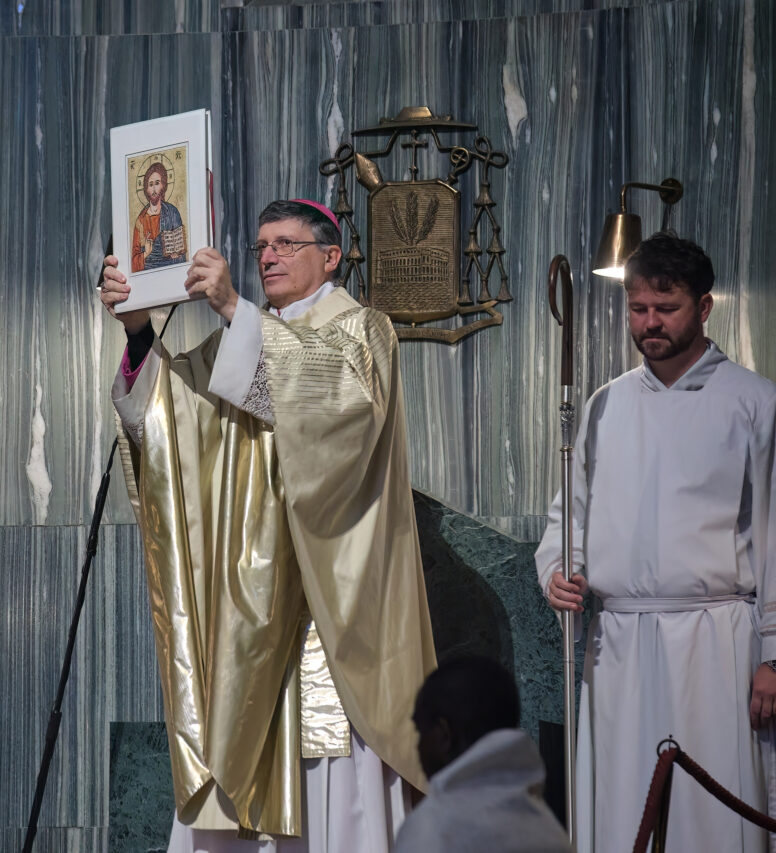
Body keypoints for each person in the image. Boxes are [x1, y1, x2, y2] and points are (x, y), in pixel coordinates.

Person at [99, 198, 436, 850]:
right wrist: (140, 330)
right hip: (249, 619)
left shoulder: (364, 331)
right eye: (261, 247)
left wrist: (231, 307)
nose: (269, 256)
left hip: (333, 620)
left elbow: (336, 402)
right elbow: (168, 417)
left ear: (330, 256)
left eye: (286, 244)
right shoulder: (239, 339)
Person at [538, 232, 776, 852]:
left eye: (665, 309)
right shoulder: (604, 405)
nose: (649, 323)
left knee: (713, 804)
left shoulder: (753, 402)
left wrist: (774, 654)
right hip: (616, 643)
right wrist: (561, 569)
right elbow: (570, 512)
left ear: (704, 307)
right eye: (638, 308)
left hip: (715, 640)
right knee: (623, 803)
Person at [395, 656, 569, 853]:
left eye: (420, 731)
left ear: (444, 734)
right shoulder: (549, 830)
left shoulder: (431, 830)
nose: (418, 746)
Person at [131, 161, 186, 271]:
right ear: (146, 189)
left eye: (157, 183)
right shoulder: (141, 220)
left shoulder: (172, 212)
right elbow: (133, 261)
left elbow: (182, 255)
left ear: (163, 185)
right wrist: (146, 253)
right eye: (150, 184)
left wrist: (177, 255)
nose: (154, 189)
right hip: (148, 270)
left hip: (170, 268)